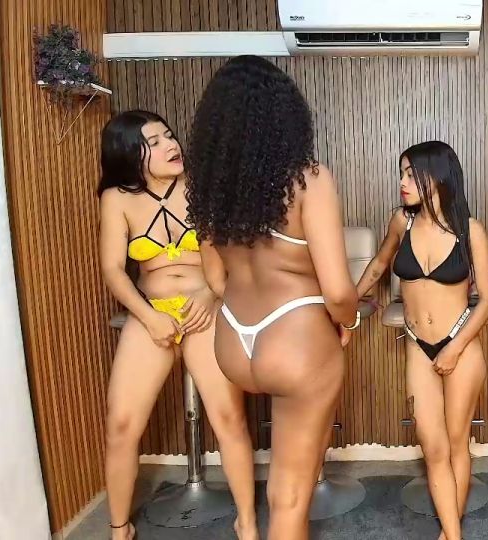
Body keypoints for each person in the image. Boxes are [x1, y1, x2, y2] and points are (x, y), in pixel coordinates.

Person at [185, 56, 361, 540]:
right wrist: (347, 322)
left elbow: (216, 279)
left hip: (233, 342)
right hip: (295, 338)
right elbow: (338, 291)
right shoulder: (308, 179)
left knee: (282, 490)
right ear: (285, 116)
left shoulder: (211, 189)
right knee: (289, 497)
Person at [97, 110, 257, 540]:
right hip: (151, 311)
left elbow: (239, 255)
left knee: (229, 418)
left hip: (206, 307)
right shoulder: (117, 199)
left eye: (169, 136)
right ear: (130, 154)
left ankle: (247, 523)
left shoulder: (204, 188)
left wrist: (210, 294)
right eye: (154, 142)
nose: (171, 145)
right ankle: (119, 529)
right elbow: (113, 270)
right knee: (121, 425)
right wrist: (149, 316)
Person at [355, 141, 488, 540]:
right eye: (400, 173)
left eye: (410, 174)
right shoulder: (401, 222)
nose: (402, 182)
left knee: (456, 444)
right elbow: (379, 266)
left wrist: (454, 348)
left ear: (437, 176)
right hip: (418, 344)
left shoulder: (471, 230)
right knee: (432, 447)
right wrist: (344, 303)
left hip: (460, 343)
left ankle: (450, 535)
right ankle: (453, 534)